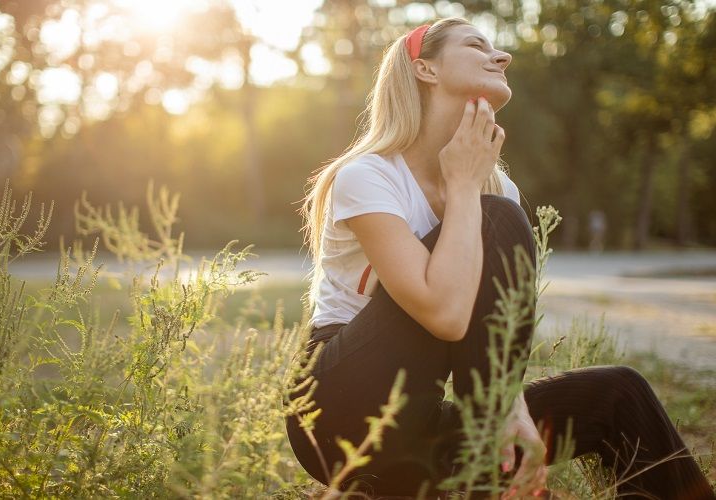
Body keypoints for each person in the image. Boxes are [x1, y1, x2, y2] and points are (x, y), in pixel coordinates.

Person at [285, 17, 715, 500]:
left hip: (422, 426)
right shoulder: (368, 176)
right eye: (476, 44)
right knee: (497, 216)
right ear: (425, 69)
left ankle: (487, 462)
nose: (503, 57)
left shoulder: (497, 186)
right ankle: (493, 435)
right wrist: (464, 187)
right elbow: (445, 315)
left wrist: (509, 402)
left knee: (620, 393)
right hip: (335, 410)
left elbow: (491, 332)